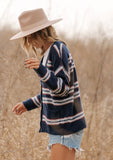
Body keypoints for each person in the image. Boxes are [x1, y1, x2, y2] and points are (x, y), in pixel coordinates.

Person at [10, 8, 86, 160]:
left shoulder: (58, 49)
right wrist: (27, 104)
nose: (29, 41)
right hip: (61, 125)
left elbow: (63, 89)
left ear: (39, 33)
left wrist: (41, 69)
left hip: (66, 124)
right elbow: (51, 93)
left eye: (29, 37)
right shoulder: (47, 53)